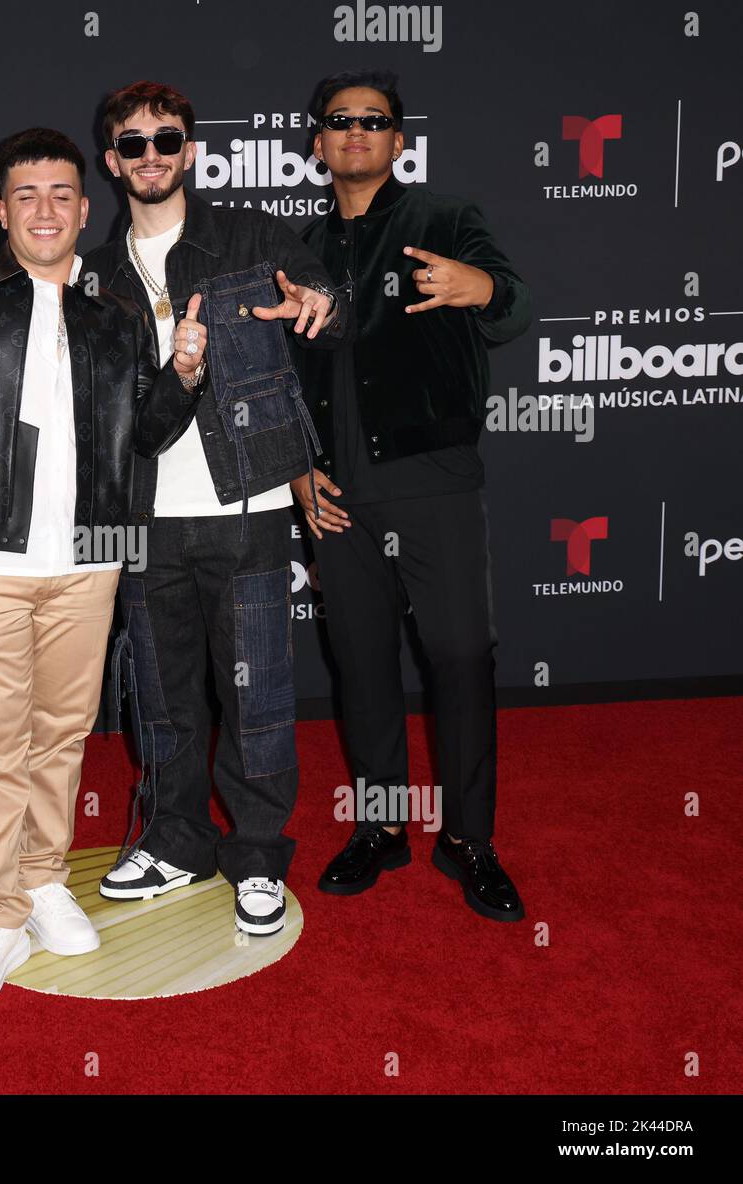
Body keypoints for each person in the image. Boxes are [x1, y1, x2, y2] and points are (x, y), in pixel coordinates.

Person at [0, 127, 204, 1005]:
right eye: (27, 195)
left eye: (62, 194)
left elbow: (149, 433)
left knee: (60, 735)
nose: (46, 209)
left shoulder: (115, 319)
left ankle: (43, 876)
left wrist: (184, 373)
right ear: (2, 210)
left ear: (84, 207)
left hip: (90, 554)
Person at [82, 81, 348, 937]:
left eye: (167, 140)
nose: (151, 156)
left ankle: (261, 853)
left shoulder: (251, 233)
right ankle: (177, 841)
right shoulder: (96, 276)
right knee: (162, 697)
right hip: (147, 511)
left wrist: (319, 303)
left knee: (259, 692)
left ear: (190, 150)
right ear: (112, 158)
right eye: (133, 144)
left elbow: (318, 297)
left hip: (249, 502)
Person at [299, 69, 531, 921]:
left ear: (399, 141)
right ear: (318, 143)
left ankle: (469, 839)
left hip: (432, 478)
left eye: (375, 120)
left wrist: (487, 291)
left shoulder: (448, 221)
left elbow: (515, 310)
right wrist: (297, 470)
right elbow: (282, 374)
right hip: (335, 489)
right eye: (339, 120)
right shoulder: (302, 248)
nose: (356, 131)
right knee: (361, 663)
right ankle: (384, 828)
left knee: (463, 654)